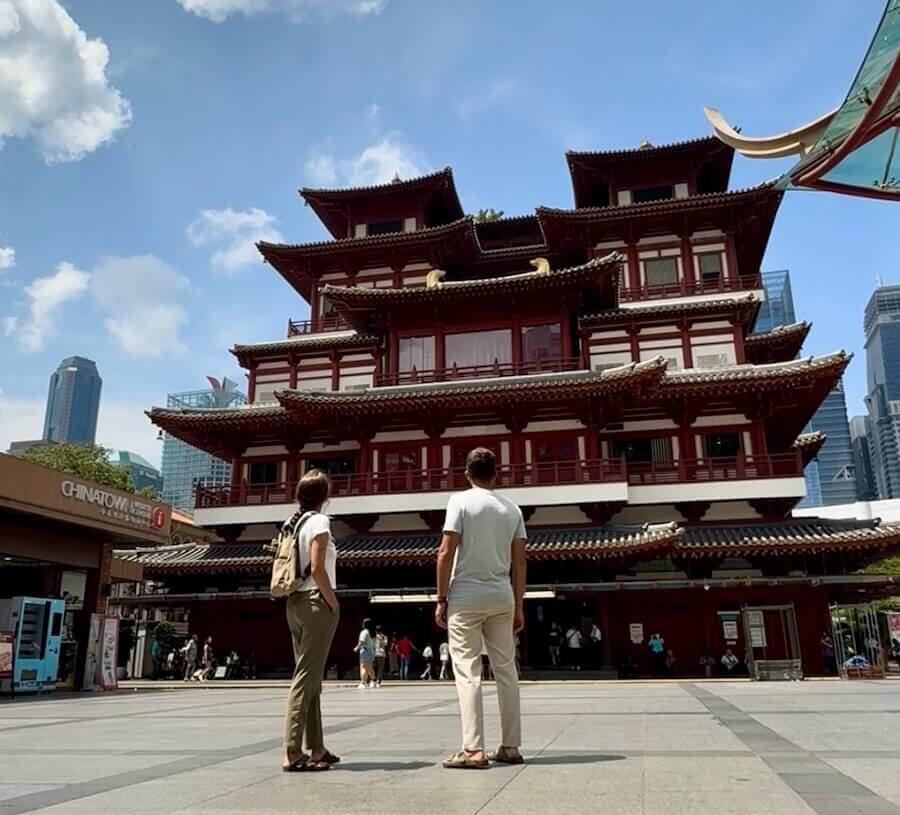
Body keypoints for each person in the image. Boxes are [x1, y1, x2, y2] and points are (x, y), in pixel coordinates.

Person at [435, 447, 526, 770]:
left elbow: (446, 551)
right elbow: (520, 561)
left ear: (467, 473)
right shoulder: (512, 509)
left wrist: (441, 597)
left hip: (466, 595)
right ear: (495, 473)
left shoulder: (459, 501)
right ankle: (511, 746)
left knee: (468, 671)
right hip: (502, 594)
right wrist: (519, 604)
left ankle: (473, 749)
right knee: (506, 669)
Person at [281, 469, 341, 773]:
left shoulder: (292, 523)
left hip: (294, 603)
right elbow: (318, 567)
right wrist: (333, 602)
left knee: (311, 678)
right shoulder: (319, 521)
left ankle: (317, 747)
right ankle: (292, 750)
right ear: (324, 496)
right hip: (317, 601)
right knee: (305, 678)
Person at [353, 618, 376, 689]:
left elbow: (361, 642)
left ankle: (363, 683)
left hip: (365, 651)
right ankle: (373, 681)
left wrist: (356, 648)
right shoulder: (373, 632)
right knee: (369, 667)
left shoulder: (364, 632)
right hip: (371, 651)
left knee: (363, 667)